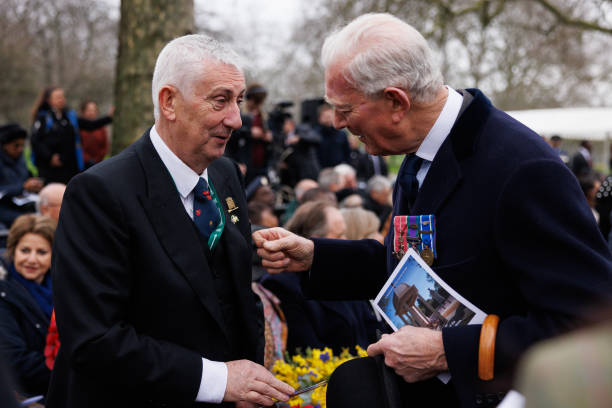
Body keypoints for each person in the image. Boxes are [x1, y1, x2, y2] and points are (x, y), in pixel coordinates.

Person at [253, 13, 612, 408]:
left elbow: (589, 323)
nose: (336, 123)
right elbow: (418, 269)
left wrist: (447, 350)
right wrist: (315, 257)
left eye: (345, 108)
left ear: (395, 101)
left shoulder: (523, 169)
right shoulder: (420, 154)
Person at [46, 34, 293, 408]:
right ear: (169, 102)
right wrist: (220, 381)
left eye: (239, 101)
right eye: (221, 100)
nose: (237, 120)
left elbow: (238, 293)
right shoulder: (99, 193)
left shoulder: (225, 173)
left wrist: (250, 382)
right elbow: (94, 340)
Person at [261, 200, 380, 354]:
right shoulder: (282, 284)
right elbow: (306, 351)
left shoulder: (346, 273)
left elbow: (371, 327)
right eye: (340, 235)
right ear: (316, 240)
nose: (347, 240)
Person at [0, 214, 56, 398]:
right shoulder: (3, 294)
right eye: (25, 250)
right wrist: (69, 371)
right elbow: (14, 361)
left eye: (41, 252)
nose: (32, 260)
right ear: (13, 251)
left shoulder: (63, 289)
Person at [30, 87, 112, 184]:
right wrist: (50, 157)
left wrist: (109, 118)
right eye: (57, 97)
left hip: (70, 168)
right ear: (48, 100)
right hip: (50, 169)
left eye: (62, 97)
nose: (61, 99)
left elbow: (90, 125)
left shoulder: (69, 117)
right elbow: (35, 141)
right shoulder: (43, 118)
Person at [0, 124, 43, 227]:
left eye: (22, 146)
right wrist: (22, 187)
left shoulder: (20, 159)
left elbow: (27, 177)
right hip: (4, 210)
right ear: (4, 145)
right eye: (16, 145)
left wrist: (35, 184)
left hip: (25, 205)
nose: (20, 149)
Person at [315, 103, 351, 168]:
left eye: (330, 116)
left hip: (339, 169)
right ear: (320, 119)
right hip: (322, 171)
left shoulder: (342, 134)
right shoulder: (315, 135)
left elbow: (347, 154)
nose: (328, 119)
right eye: (325, 117)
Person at [79, 100, 111, 168]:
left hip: (98, 163)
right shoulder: (79, 127)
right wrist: (87, 159)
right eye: (89, 110)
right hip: (82, 164)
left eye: (94, 110)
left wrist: (98, 159)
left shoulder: (101, 128)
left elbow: (105, 146)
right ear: (83, 112)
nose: (92, 113)